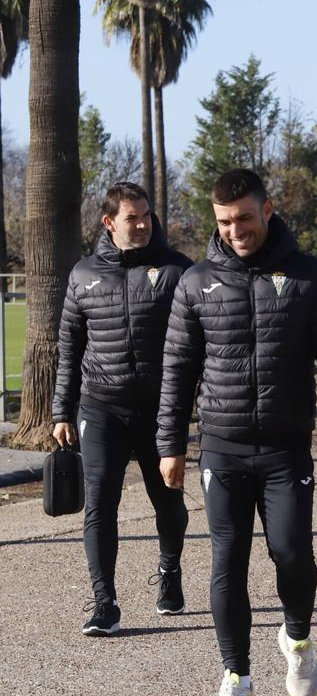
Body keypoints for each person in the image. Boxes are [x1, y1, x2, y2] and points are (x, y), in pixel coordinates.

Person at [157, 168, 317, 696]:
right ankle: (236, 679)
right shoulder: (196, 283)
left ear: (267, 211)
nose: (235, 229)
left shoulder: (309, 276)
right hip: (221, 447)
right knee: (227, 560)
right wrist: (169, 443)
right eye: (224, 221)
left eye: (244, 217)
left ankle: (296, 636)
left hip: (286, 447)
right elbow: (177, 368)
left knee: (291, 552)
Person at [52, 182, 192, 636]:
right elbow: (69, 347)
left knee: (167, 501)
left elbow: (200, 342)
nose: (144, 224)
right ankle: (104, 602)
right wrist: (60, 411)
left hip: (160, 409)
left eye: (147, 215)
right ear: (109, 223)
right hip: (101, 406)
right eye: (133, 217)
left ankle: (169, 569)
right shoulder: (83, 275)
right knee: (100, 506)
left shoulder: (177, 271)